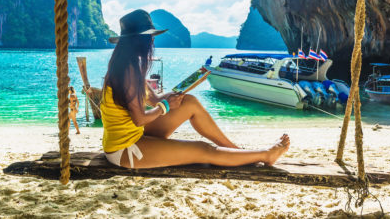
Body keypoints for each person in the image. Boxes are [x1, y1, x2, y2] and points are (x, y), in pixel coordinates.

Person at [101, 9, 289, 169]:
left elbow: (155, 100)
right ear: (139, 41)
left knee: (189, 102)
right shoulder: (127, 72)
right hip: (124, 150)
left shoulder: (130, 66)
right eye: (150, 37)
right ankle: (265, 155)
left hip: (134, 136)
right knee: (203, 149)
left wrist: (181, 91)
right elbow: (141, 118)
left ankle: (237, 152)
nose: (152, 42)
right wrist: (166, 106)